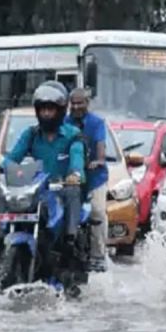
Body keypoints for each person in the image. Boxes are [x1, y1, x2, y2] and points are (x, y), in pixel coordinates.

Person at [1, 82, 85, 251]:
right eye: (42, 109)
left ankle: (70, 239)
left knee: (73, 192)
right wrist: (5, 168)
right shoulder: (31, 134)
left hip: (61, 189)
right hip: (37, 191)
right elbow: (12, 158)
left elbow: (77, 157)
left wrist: (75, 174)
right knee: (4, 194)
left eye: (50, 109)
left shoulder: (73, 135)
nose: (46, 114)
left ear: (60, 111)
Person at [65, 87, 109, 272]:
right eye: (73, 103)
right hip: (69, 177)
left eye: (80, 103)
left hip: (94, 177)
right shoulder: (64, 122)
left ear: (87, 103)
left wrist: (98, 161)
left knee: (97, 212)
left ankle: (98, 255)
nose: (76, 107)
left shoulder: (97, 123)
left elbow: (100, 146)